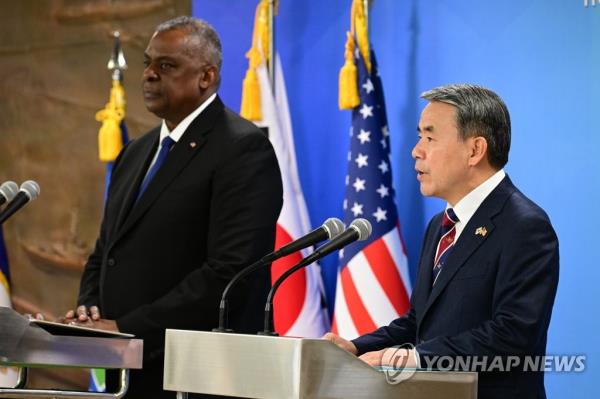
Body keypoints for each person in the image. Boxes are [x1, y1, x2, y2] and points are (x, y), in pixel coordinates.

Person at [62, 16, 283, 398]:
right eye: (147, 63)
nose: (148, 74)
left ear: (206, 76)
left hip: (197, 374)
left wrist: (130, 327)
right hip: (126, 369)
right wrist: (89, 315)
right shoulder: (135, 152)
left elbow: (229, 273)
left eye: (166, 66)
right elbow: (106, 251)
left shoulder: (243, 150)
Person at [325, 84, 559, 399]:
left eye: (430, 137)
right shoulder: (440, 225)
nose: (416, 150)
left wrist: (411, 358)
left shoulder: (525, 226)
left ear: (475, 150)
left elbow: (512, 335)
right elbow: (419, 321)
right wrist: (355, 347)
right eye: (420, 136)